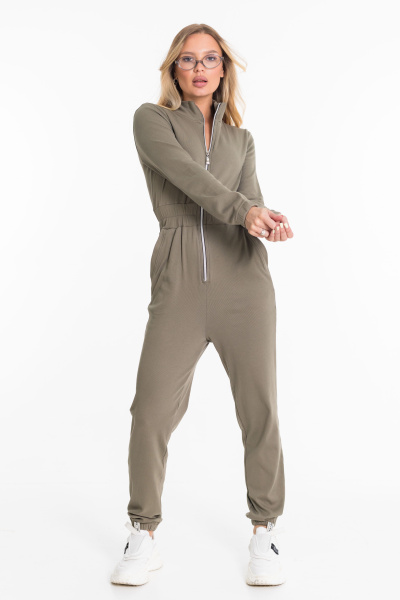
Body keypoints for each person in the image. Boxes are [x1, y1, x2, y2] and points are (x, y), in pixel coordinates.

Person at [110, 23, 294, 587]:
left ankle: (265, 530)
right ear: (174, 68)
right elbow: (189, 178)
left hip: (245, 283)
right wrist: (243, 209)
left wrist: (267, 219)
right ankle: (142, 532)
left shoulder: (242, 139)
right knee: (150, 411)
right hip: (180, 281)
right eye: (188, 59)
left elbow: (250, 200)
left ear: (222, 70)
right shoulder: (152, 120)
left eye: (210, 59)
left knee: (260, 409)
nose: (199, 68)